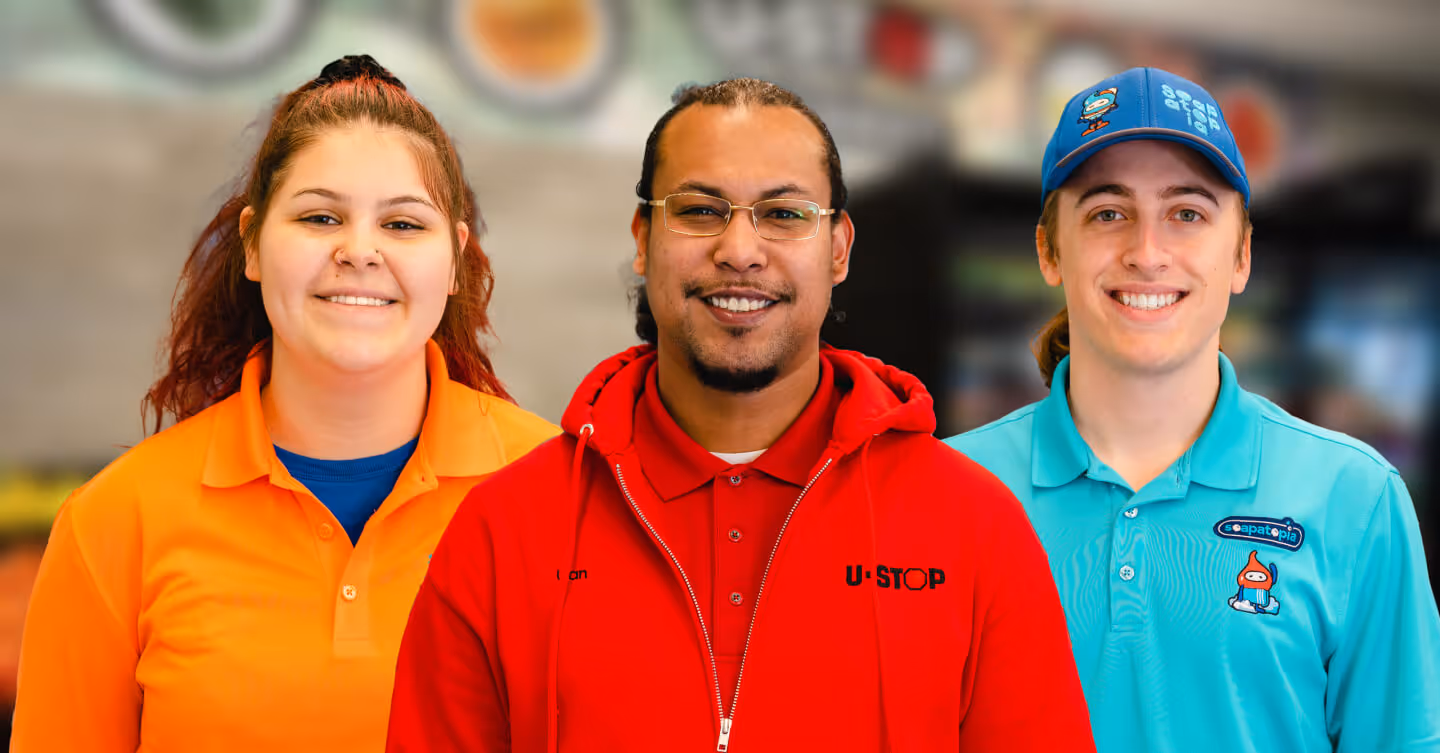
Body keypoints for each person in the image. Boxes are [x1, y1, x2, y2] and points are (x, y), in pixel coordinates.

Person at [386, 78, 1094, 752]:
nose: (740, 250)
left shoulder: (975, 528)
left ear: (839, 248)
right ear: (643, 236)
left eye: (784, 215)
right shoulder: (504, 531)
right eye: (700, 209)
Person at [12, 55, 558, 752]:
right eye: (320, 216)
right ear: (252, 245)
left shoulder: (564, 494)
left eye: (402, 225)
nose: (359, 251)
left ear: (455, 260)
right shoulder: (115, 522)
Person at [946, 67, 1440, 753]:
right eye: (1108, 212)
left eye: (1187, 213)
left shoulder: (1357, 500)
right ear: (1049, 250)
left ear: (1240, 255)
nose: (1147, 253)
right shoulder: (942, 491)